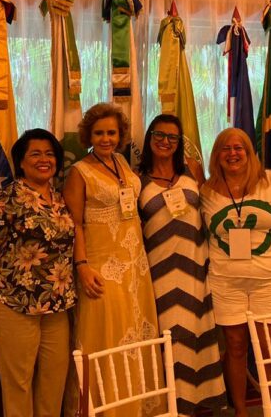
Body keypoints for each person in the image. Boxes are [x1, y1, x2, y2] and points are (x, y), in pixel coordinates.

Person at [63, 102, 163, 416]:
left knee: (134, 330)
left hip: (135, 265)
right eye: (99, 133)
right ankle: (103, 409)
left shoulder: (121, 162)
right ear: (88, 136)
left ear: (120, 135)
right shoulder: (80, 171)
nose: (106, 139)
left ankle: (134, 406)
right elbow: (74, 224)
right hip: (101, 265)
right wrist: (82, 266)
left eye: (111, 133)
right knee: (105, 334)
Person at [199, 128, 271, 417]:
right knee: (235, 347)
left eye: (239, 148)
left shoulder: (270, 181)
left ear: (249, 153)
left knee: (270, 351)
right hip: (226, 283)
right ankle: (241, 411)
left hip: (269, 282)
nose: (232, 153)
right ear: (217, 155)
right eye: (226, 148)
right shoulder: (206, 191)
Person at [0, 129, 75, 417]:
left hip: (56, 305)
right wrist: (0, 287)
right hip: (14, 303)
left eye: (49, 154)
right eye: (35, 154)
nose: (44, 159)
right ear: (21, 161)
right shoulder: (7, 199)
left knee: (54, 381)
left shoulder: (60, 199)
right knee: (19, 383)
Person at [138, 114, 227, 416]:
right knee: (171, 336)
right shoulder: (136, 177)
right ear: (149, 138)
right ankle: (175, 406)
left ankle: (200, 402)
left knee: (198, 333)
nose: (165, 141)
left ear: (179, 142)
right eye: (159, 135)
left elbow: (211, 208)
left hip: (195, 264)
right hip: (159, 268)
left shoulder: (192, 169)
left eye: (172, 137)